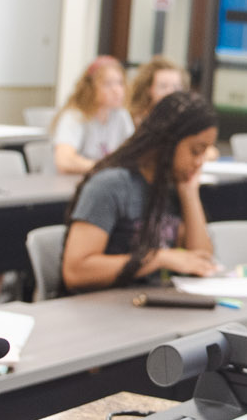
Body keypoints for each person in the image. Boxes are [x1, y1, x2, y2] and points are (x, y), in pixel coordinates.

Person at [59, 90, 219, 293]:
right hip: (99, 310)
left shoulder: (172, 185)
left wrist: (189, 192)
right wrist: (157, 258)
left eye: (205, 152)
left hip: (149, 305)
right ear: (167, 142)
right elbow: (76, 273)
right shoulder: (110, 185)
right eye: (195, 151)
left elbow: (201, 261)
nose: (199, 162)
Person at [51, 55, 132, 176]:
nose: (117, 90)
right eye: (108, 84)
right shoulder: (75, 116)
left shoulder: (121, 115)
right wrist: (108, 166)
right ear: (91, 88)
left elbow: (134, 153)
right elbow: (65, 161)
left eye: (120, 83)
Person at [126, 56, 184, 125]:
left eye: (176, 86)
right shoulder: (132, 120)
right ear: (148, 89)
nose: (170, 92)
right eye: (163, 86)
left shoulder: (184, 119)